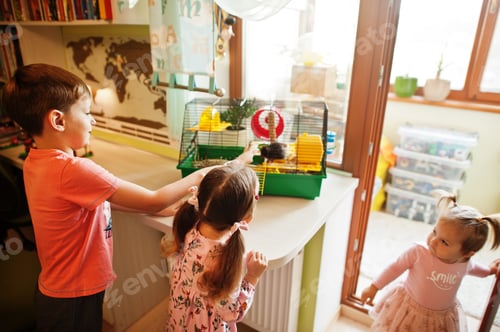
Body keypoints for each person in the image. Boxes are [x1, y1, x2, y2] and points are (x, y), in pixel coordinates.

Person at [1, 63, 255, 332]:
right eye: (87, 113)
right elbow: (154, 198)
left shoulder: (36, 161)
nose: (93, 120)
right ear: (58, 120)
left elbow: (101, 201)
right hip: (74, 296)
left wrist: (165, 211)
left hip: (57, 289)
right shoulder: (73, 170)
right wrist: (200, 175)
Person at [360, 190, 500, 332]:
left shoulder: (464, 263)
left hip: (439, 317)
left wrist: (490, 270)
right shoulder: (418, 252)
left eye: (444, 242)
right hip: (408, 309)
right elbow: (395, 267)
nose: (433, 241)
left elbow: (476, 269)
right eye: (434, 231)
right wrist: (374, 287)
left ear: (466, 254)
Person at [162, 163, 268, 331]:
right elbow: (232, 313)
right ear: (246, 219)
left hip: (179, 321)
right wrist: (252, 277)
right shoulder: (228, 258)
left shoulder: (190, 226)